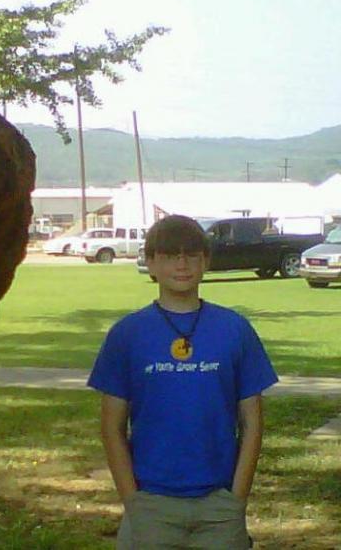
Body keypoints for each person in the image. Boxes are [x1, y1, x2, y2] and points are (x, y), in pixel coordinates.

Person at [88, 215, 278, 549]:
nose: (182, 264)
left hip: (219, 505)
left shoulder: (235, 329)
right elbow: (111, 428)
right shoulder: (127, 334)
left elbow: (252, 423)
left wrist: (237, 498)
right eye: (169, 255)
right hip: (150, 504)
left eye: (191, 255)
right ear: (150, 263)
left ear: (205, 261)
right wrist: (133, 501)